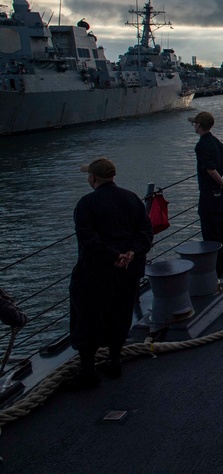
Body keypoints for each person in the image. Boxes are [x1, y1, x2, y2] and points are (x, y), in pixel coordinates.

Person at [64, 157, 152, 390]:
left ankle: (87, 370)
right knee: (120, 312)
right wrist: (130, 253)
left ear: (92, 178)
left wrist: (113, 256)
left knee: (87, 315)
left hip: (96, 272)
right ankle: (114, 361)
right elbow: (145, 231)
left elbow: (88, 239)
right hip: (128, 271)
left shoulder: (86, 204)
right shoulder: (132, 199)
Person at [189, 111, 223, 277]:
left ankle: (215, 269)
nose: (193, 125)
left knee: (210, 232)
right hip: (221, 196)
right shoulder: (217, 142)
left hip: (209, 195)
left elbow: (209, 169)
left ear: (200, 126)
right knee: (222, 228)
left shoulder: (201, 145)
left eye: (195, 123)